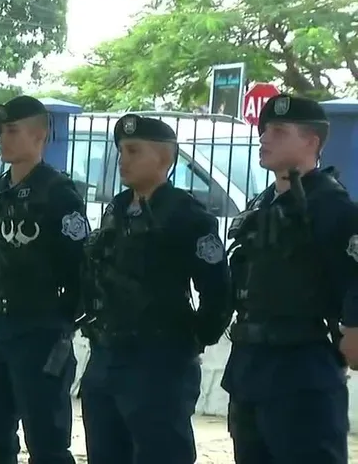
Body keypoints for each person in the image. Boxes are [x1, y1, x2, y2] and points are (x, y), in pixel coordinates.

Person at [79, 114, 232, 464]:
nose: (123, 159)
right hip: (107, 356)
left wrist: (191, 338)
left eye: (134, 151)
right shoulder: (117, 209)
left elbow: (217, 288)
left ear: (164, 159)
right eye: (121, 150)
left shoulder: (187, 215)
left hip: (159, 361)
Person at [223, 94, 358, 464]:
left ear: (311, 142)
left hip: (303, 368)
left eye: (279, 131)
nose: (265, 138)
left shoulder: (334, 207)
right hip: (251, 367)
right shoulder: (260, 205)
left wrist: (355, 327)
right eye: (264, 130)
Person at [0, 96, 88, 464]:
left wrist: (61, 323)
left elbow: (81, 267)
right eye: (1, 131)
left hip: (39, 326)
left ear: (39, 135)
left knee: (46, 441)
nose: (3, 138)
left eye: (12, 130)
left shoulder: (58, 193)